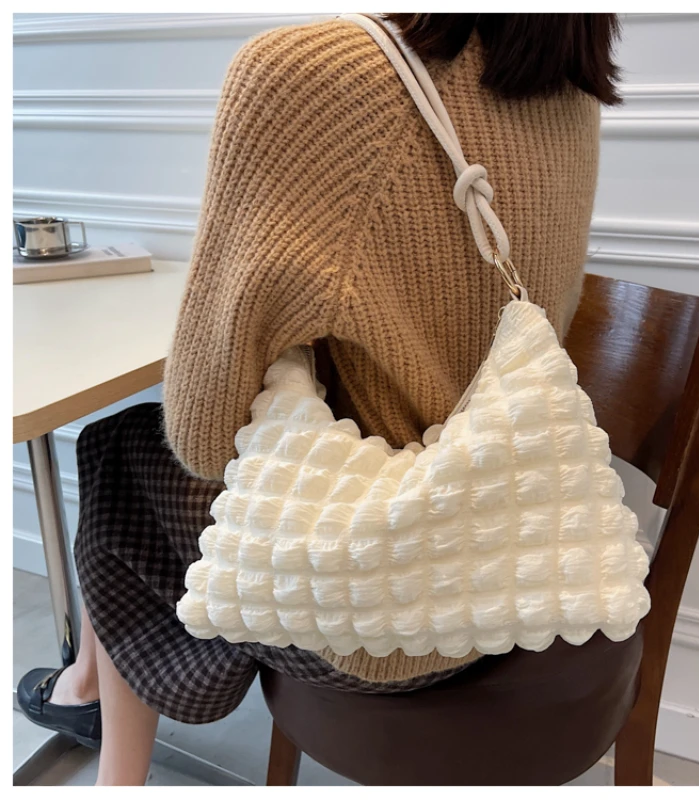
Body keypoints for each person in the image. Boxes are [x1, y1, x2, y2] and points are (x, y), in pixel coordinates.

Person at [17, 13, 622, 785]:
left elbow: (204, 437)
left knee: (122, 451)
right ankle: (87, 687)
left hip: (381, 611)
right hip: (520, 561)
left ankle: (107, 750)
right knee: (139, 453)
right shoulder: (568, 91)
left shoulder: (312, 72)